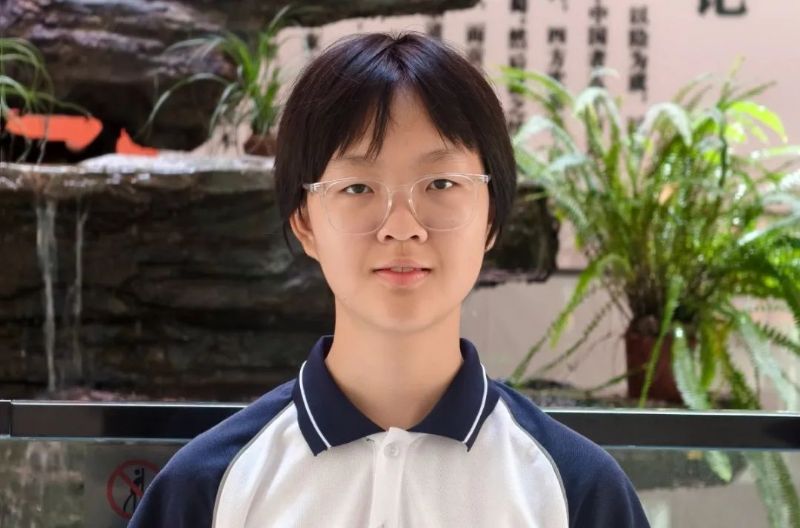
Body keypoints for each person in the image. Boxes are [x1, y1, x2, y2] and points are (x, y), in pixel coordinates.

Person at [128, 31, 651, 527]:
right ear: (304, 223)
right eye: (358, 188)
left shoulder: (577, 491)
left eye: (441, 183)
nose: (402, 226)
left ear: (491, 218)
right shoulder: (207, 489)